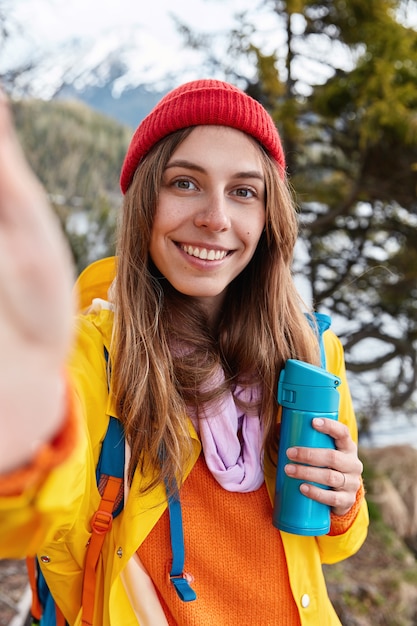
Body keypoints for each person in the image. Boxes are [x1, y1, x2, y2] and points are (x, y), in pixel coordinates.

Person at [0, 79, 368, 626]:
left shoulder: (312, 351)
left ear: (269, 217)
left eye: (244, 191)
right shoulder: (93, 354)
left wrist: (345, 502)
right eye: (185, 183)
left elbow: (333, 547)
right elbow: (26, 508)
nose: (215, 218)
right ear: (145, 200)